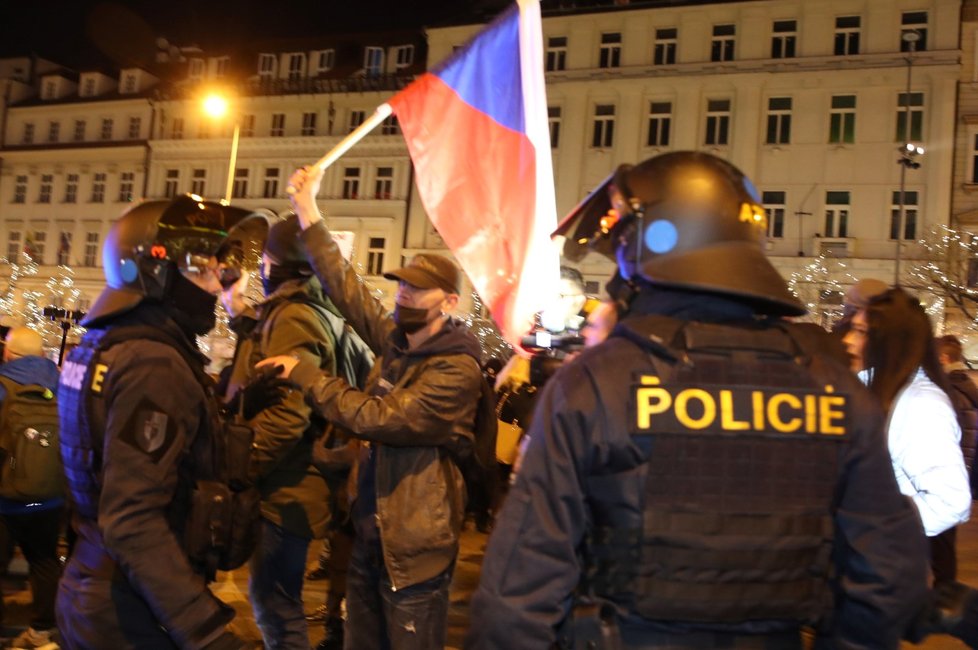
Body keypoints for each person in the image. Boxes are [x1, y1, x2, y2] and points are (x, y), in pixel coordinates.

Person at [467, 151, 930, 648]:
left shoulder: (596, 384)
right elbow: (888, 577)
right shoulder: (834, 387)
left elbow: (517, 593)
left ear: (647, 248)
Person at [259, 165, 484, 650]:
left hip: (415, 549)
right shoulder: (397, 343)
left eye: (416, 290)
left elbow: (381, 418)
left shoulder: (456, 369)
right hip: (371, 536)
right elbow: (344, 285)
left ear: (447, 301)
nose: (403, 295)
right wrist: (307, 209)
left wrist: (306, 375)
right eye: (401, 286)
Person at [55, 196, 271, 650]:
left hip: (99, 582)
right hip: (133, 607)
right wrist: (204, 629)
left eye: (218, 269)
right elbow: (132, 518)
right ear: (155, 271)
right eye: (199, 268)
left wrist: (228, 412)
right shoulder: (153, 361)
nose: (216, 283)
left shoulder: (104, 344)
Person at [221, 214, 335, 650]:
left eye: (264, 260)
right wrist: (238, 313)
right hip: (289, 488)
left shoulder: (294, 315)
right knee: (274, 601)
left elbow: (289, 414)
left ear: (276, 264)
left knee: (276, 606)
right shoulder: (295, 309)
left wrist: (241, 467)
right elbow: (267, 349)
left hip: (287, 491)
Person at [843, 291, 972, 575]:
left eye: (861, 332)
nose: (848, 341)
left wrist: (871, 530)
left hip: (884, 570)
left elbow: (950, 501)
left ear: (889, 343)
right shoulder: (874, 390)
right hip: (863, 567)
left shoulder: (920, 404)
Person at [0, 327, 63, 650]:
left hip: (5, 498)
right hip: (50, 496)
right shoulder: (62, 384)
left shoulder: (2, 384)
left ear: (9, 353)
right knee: (44, 561)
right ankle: (41, 631)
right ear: (41, 354)